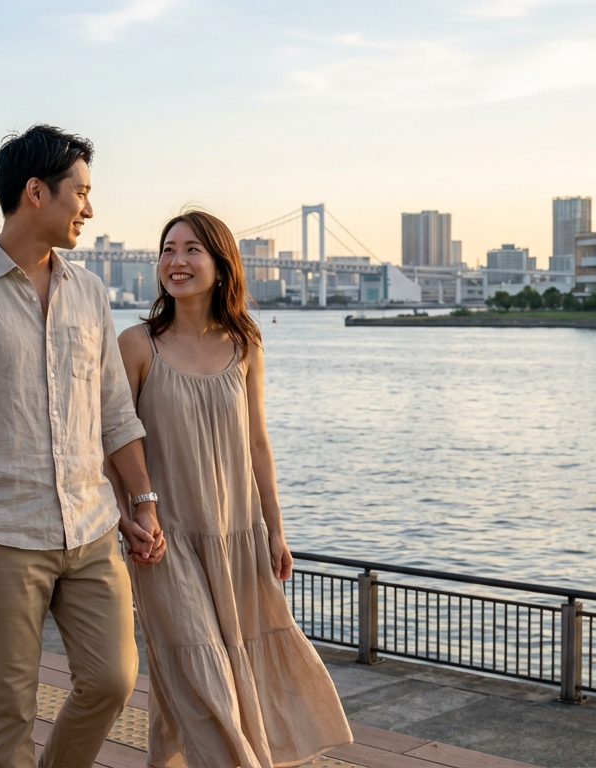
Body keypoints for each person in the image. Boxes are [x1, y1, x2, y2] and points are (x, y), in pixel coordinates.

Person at [0, 124, 166, 768]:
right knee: (7, 709)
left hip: (90, 529)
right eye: (80, 192)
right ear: (34, 193)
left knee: (113, 680)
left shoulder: (91, 293)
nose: (89, 208)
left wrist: (143, 504)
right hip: (1, 535)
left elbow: (114, 413)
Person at [112, 211, 352, 767]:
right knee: (199, 670)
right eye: (167, 249)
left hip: (237, 536)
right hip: (165, 541)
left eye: (192, 249)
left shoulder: (245, 344)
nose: (176, 261)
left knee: (205, 684)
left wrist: (276, 531)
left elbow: (258, 445)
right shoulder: (137, 345)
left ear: (221, 267)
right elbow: (110, 440)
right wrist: (128, 514)